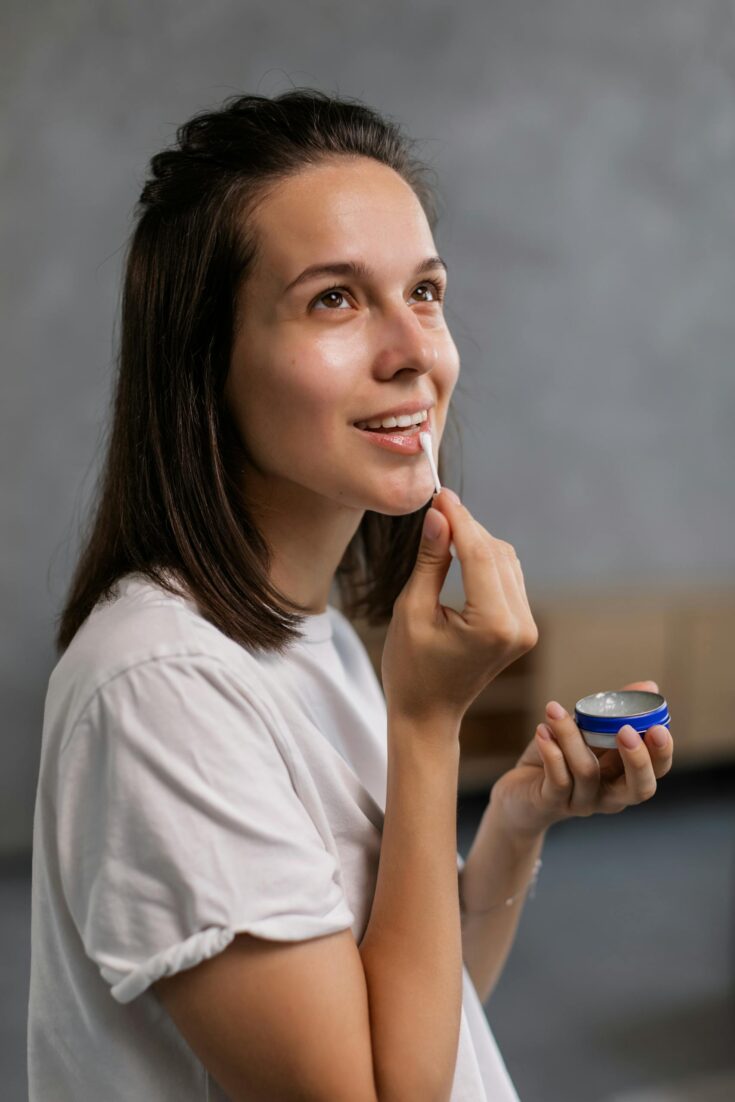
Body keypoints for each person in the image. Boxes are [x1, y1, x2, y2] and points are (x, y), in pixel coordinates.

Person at [27, 89, 674, 1102]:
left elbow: (422, 1024)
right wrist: (426, 723)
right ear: (207, 363)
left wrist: (514, 821)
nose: (414, 351)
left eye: (424, 291)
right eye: (334, 298)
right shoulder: (157, 691)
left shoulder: (308, 633)